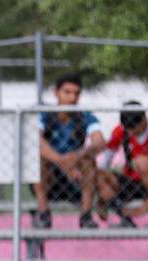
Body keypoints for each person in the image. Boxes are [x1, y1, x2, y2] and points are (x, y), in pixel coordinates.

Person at [34, 73, 106, 229]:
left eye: (76, 93)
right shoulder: (45, 114)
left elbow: (100, 142)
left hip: (76, 179)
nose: (72, 98)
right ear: (56, 93)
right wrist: (62, 163)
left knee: (88, 160)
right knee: (38, 158)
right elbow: (35, 141)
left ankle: (86, 215)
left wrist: (76, 156)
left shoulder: (85, 116)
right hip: (50, 178)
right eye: (67, 92)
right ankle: (43, 213)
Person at [97, 101, 148, 228]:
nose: (132, 132)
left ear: (144, 119)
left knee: (141, 163)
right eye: (128, 129)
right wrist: (101, 196)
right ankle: (124, 218)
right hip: (129, 182)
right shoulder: (121, 132)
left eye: (135, 128)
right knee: (99, 175)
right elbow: (104, 161)